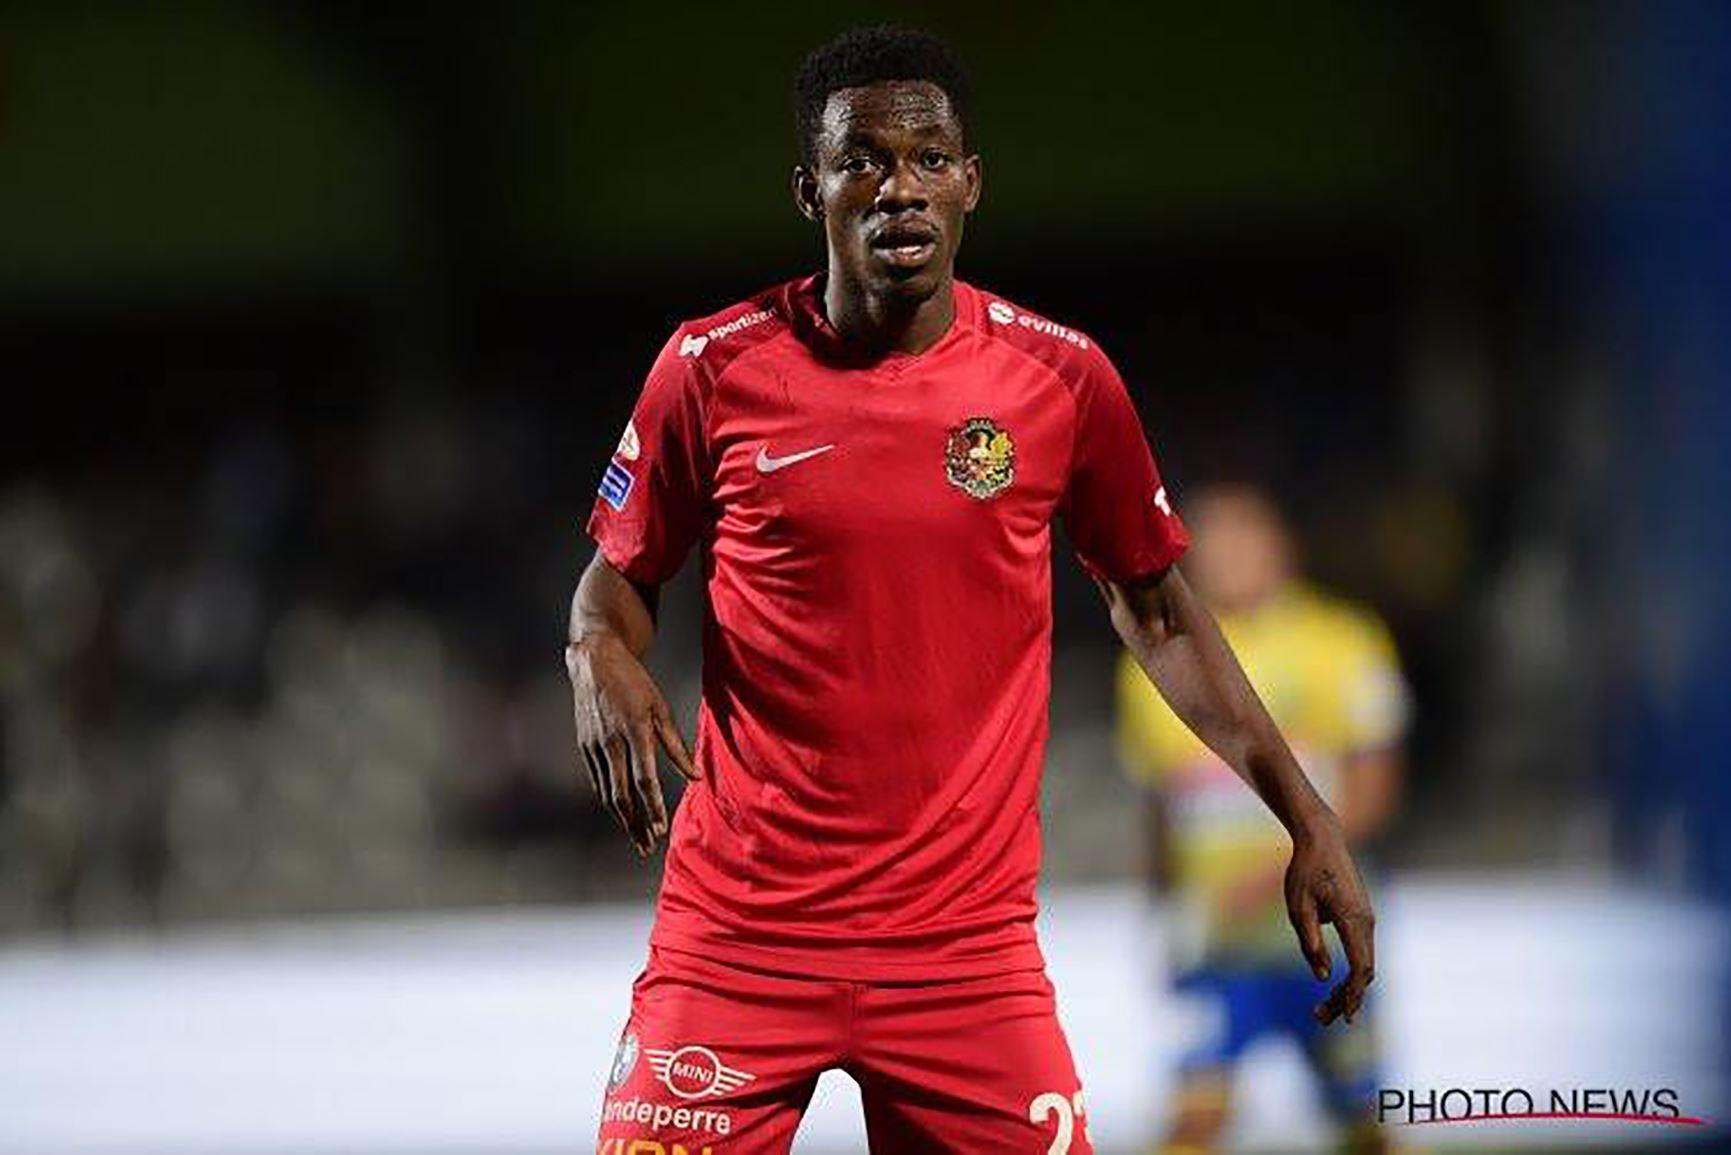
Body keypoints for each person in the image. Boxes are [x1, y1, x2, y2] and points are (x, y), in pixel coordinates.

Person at [567, 26, 1375, 1154]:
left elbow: (1157, 609)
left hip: (964, 957)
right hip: (739, 938)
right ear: (810, 191)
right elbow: (611, 591)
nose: (899, 188)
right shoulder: (710, 369)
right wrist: (595, 653)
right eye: (862, 162)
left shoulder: (1061, 378)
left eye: (929, 160)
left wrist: (1307, 814)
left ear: (970, 183)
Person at [1116, 485, 1408, 1155]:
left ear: (1280, 545)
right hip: (1218, 940)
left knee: (1362, 1122)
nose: (1227, 556)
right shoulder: (1152, 661)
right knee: (1194, 1115)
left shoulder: (1341, 641)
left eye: (1241, 538)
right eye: (1211, 543)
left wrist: (1284, 871)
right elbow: (1161, 807)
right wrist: (1160, 910)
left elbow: (1374, 785)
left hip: (1324, 936)